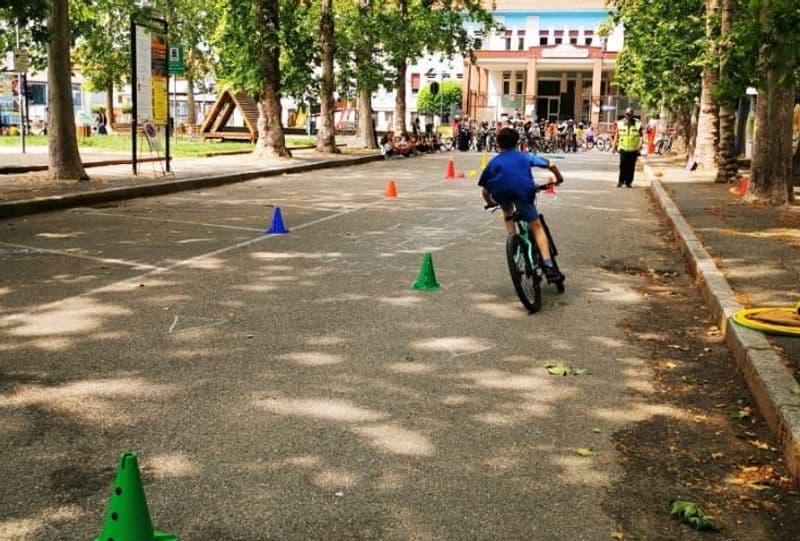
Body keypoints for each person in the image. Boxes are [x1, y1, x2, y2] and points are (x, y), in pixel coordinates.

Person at [477, 127, 565, 283]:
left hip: (501, 193)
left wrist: (491, 203)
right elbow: (551, 165)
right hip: (523, 192)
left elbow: (485, 192)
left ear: (498, 143)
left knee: (507, 211)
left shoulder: (493, 163)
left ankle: (513, 240)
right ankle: (549, 266)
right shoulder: (525, 156)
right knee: (536, 226)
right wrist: (558, 179)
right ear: (517, 142)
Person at [612, 107, 643, 187]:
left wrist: (639, 146)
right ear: (625, 114)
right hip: (623, 148)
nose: (628, 116)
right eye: (627, 114)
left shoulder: (638, 123)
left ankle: (628, 182)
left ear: (632, 115)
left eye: (630, 114)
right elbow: (617, 135)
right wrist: (614, 146)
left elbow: (641, 136)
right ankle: (621, 181)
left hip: (634, 149)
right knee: (622, 166)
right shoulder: (620, 123)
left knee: (631, 167)